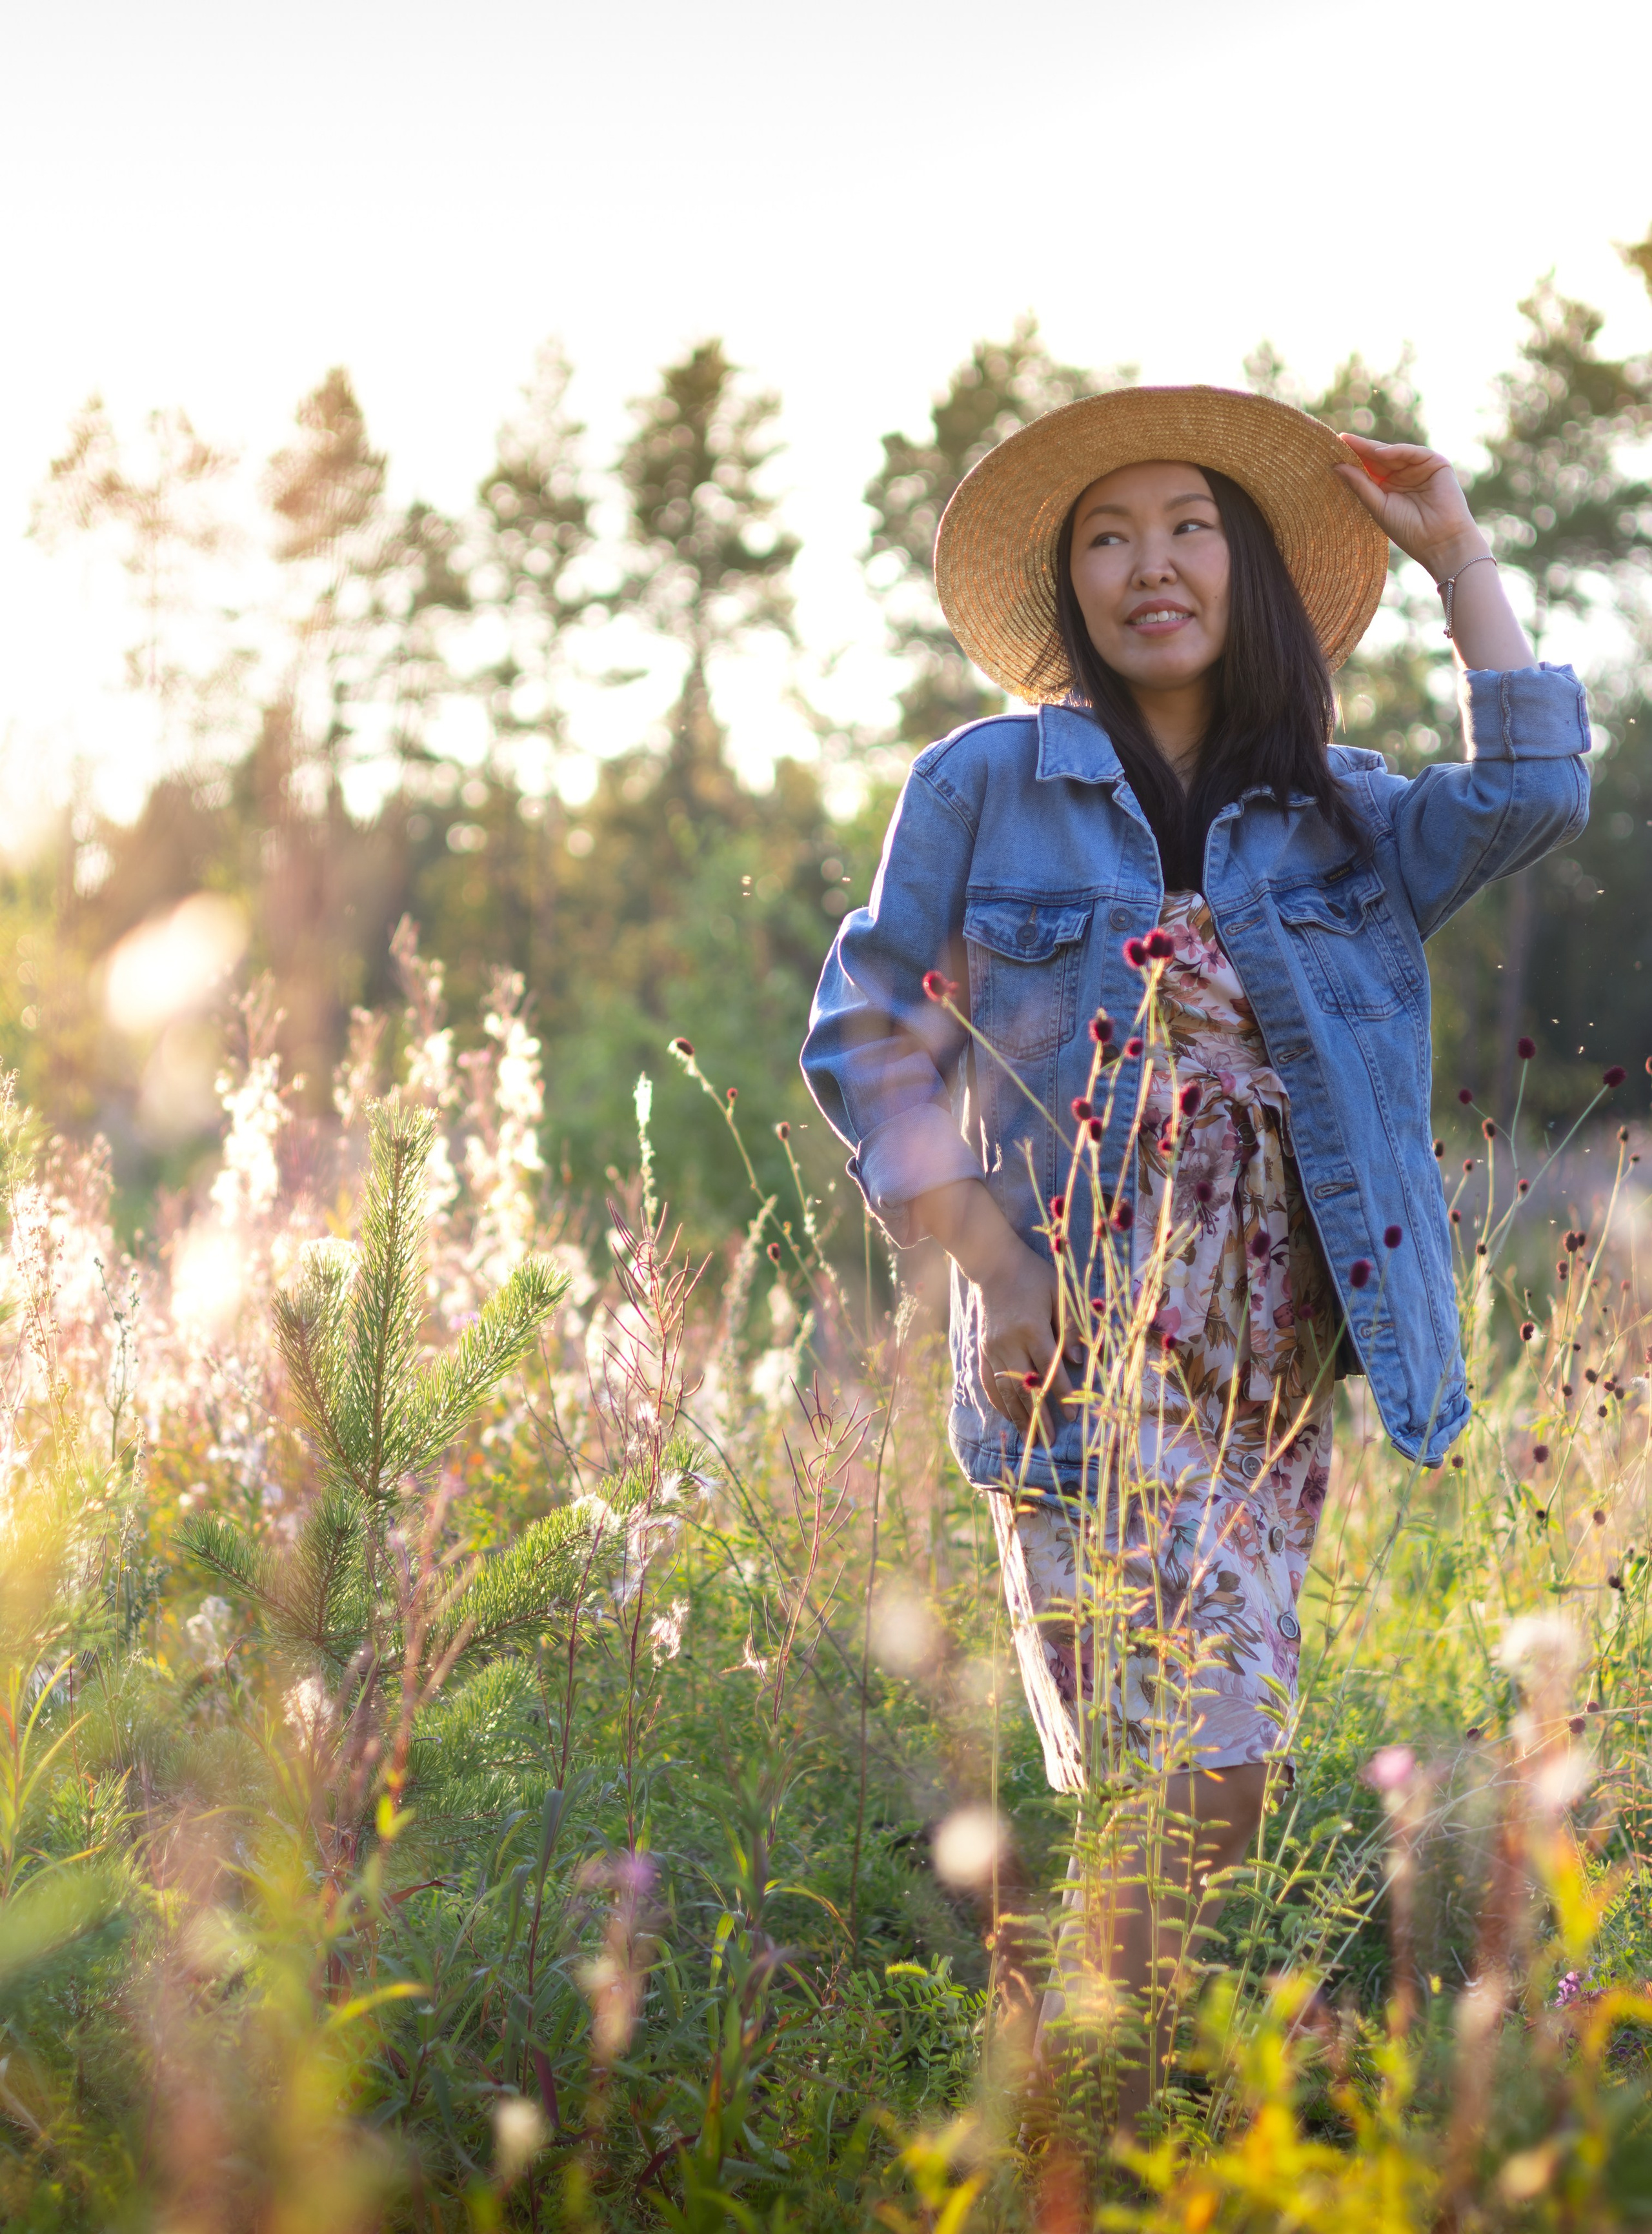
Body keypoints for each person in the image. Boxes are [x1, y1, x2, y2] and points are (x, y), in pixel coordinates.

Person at [800, 385, 1590, 2128]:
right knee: (1154, 1763)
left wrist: (1455, 550)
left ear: (1249, 568)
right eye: (1107, 534)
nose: (1149, 564)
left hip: (1264, 1375)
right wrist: (990, 1262)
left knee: (1212, 1772)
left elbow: (1541, 786)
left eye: (1189, 526)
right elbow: (863, 1035)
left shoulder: (1344, 814)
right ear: (1066, 586)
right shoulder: (979, 785)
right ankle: (1098, 2107)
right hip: (1068, 1348)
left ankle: (1086, 2093)